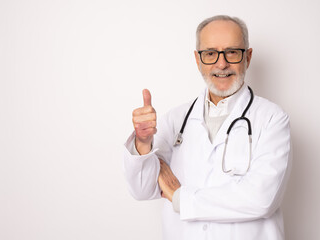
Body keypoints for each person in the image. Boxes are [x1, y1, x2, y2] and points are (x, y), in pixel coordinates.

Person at [123, 15, 292, 240]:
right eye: (210, 53)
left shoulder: (272, 119)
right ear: (197, 59)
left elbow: (261, 199)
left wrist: (181, 198)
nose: (221, 64)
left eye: (232, 52)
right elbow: (142, 190)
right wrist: (143, 144)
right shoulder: (176, 119)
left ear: (248, 57)